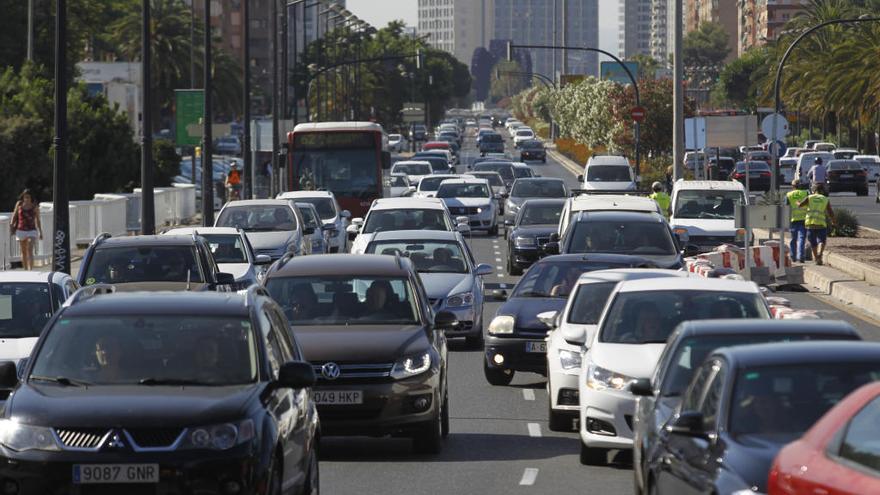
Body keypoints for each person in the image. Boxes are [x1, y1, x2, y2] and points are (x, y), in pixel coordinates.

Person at [798, 183, 836, 266]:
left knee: (813, 242)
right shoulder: (825, 199)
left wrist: (798, 203)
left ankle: (816, 259)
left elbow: (801, 205)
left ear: (814, 190)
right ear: (822, 190)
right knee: (822, 241)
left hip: (810, 224)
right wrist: (833, 222)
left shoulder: (810, 197)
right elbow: (830, 212)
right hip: (821, 224)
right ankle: (820, 253)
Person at [10, 189, 43, 271]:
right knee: (23, 251)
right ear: (23, 197)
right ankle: (25, 270)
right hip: (21, 230)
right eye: (25, 197)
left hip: (31, 230)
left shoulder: (34, 206)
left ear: (31, 198)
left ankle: (30, 269)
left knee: (30, 248)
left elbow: (38, 220)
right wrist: (11, 225)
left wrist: (40, 232)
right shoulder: (19, 204)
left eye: (28, 197)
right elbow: (14, 216)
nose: (27, 199)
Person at [786, 180, 809, 263]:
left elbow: (786, 208)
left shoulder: (789, 195)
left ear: (792, 186)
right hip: (804, 219)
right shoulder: (805, 193)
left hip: (793, 219)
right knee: (802, 238)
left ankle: (793, 256)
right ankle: (801, 256)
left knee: (793, 239)